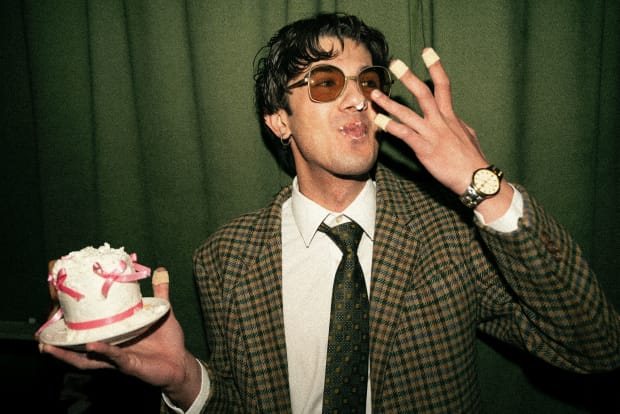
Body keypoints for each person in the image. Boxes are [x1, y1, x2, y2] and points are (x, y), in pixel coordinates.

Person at [40, 12, 620, 413]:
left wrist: (483, 186)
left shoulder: (451, 234)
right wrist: (187, 380)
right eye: (324, 82)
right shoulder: (225, 258)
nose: (356, 98)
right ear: (279, 120)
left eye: (367, 81)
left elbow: (595, 347)